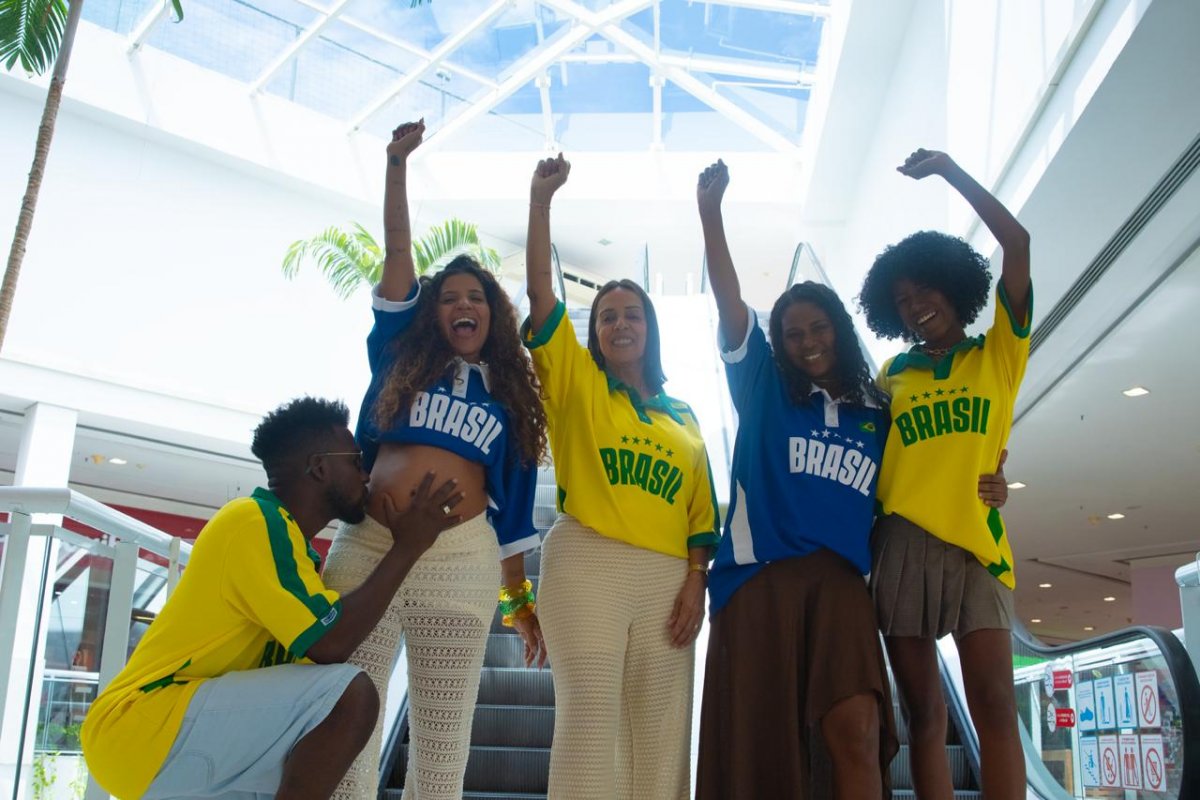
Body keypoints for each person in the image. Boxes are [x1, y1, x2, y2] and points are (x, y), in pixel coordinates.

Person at [319, 120, 549, 800]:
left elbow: (514, 524)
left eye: (475, 297)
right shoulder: (399, 354)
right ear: (431, 313)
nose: (462, 305)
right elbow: (397, 248)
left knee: (443, 753)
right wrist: (396, 165)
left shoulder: (510, 398)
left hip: (459, 563)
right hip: (368, 546)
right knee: (343, 734)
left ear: (492, 314)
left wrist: (521, 605)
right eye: (448, 298)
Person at [81, 397, 463, 800]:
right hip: (143, 725)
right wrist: (408, 547)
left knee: (301, 750)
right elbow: (329, 644)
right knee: (351, 696)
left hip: (167, 739)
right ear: (320, 467)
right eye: (356, 461)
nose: (366, 474)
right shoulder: (253, 521)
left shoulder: (293, 554)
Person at [523, 153, 721, 800]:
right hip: (587, 564)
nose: (619, 323)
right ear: (595, 334)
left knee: (661, 740)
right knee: (588, 730)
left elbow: (702, 516)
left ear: (650, 329)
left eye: (631, 313)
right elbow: (541, 300)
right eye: (606, 316)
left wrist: (696, 580)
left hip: (667, 579)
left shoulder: (683, 415)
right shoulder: (577, 385)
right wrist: (540, 202)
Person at [858, 148, 1031, 800]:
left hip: (978, 545)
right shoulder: (891, 375)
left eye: (924, 290)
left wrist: (950, 172)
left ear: (953, 285)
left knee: (995, 710)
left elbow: (1017, 243)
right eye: (901, 301)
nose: (915, 306)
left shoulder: (998, 355)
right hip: (901, 542)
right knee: (925, 716)